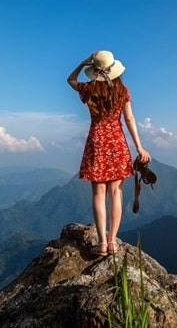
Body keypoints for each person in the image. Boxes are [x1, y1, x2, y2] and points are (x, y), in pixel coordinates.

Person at [67, 50, 151, 257]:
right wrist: (139, 147)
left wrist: (82, 63)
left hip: (96, 141)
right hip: (116, 142)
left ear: (94, 71)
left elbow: (70, 80)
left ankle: (102, 243)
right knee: (116, 193)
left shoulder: (88, 89)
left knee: (98, 193)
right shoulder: (123, 90)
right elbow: (130, 119)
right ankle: (113, 242)